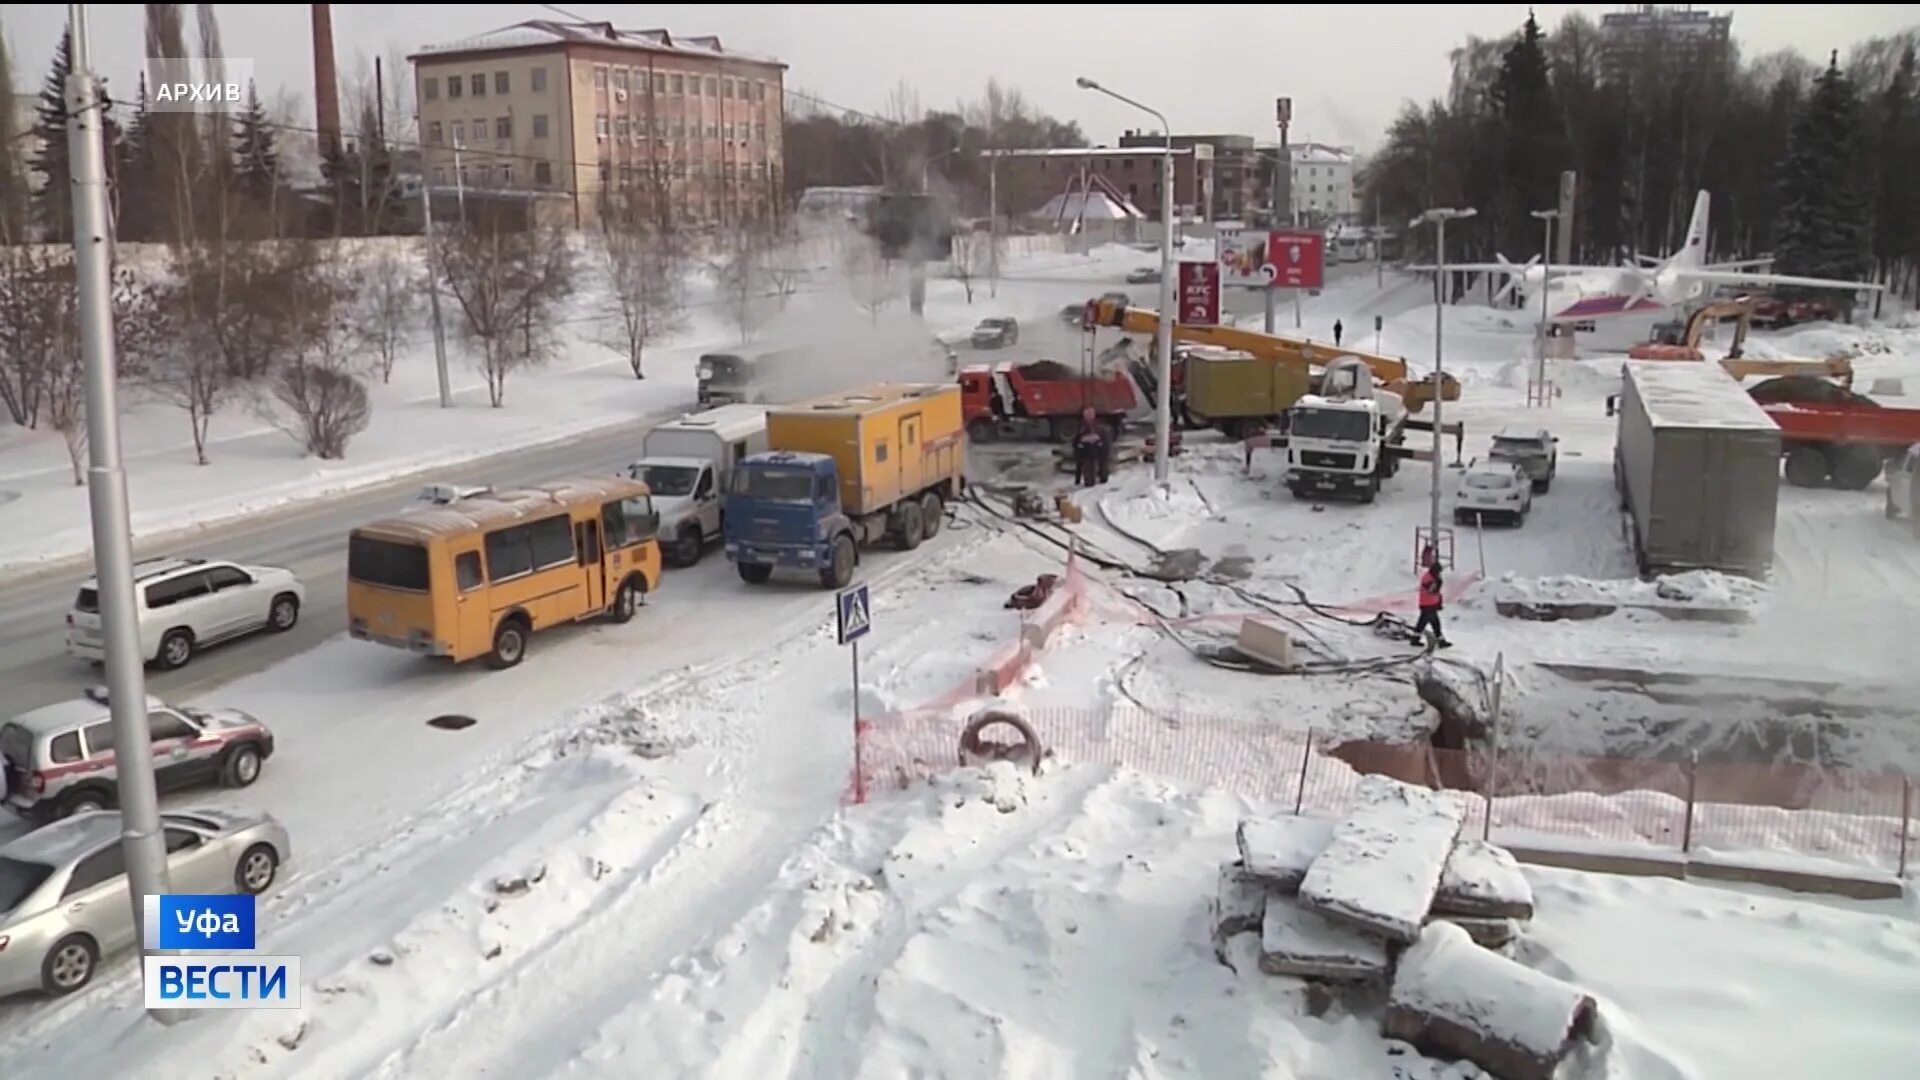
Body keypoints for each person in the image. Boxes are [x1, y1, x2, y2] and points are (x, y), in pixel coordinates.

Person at [1411, 552, 1450, 649]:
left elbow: (1436, 592)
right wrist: (1438, 583)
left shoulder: (1430, 576)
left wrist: (1439, 602)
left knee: (1426, 622)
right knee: (1431, 623)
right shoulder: (1430, 578)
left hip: (1429, 603)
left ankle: (1416, 639)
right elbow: (1432, 590)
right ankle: (1440, 641)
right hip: (1428, 604)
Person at [1072, 407, 1110, 487]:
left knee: (1103, 459)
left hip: (1098, 448)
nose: (1088, 417)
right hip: (1086, 450)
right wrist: (1081, 442)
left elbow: (1105, 438)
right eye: (1087, 415)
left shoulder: (1100, 425)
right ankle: (1089, 480)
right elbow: (1076, 439)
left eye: (1090, 415)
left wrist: (1100, 441)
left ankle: (1103, 476)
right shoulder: (1080, 425)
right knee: (1087, 463)